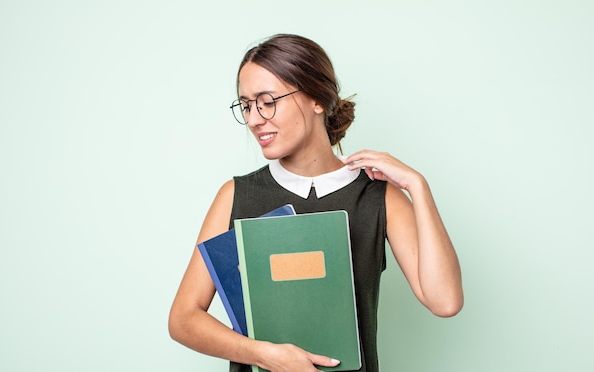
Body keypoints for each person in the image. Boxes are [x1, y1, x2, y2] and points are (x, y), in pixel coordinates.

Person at [168, 34, 463, 372]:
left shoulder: (378, 197)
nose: (253, 118)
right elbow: (183, 319)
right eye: (246, 105)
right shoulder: (236, 195)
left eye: (267, 101)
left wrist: (418, 187)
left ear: (317, 99)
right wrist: (265, 355)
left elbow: (446, 301)